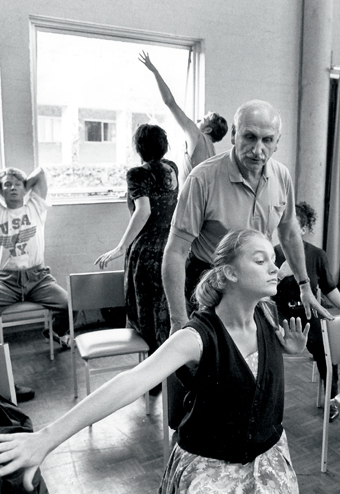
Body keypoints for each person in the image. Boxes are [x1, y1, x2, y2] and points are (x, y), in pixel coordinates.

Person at [0, 229, 310, 493]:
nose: (275, 267)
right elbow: (129, 382)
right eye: (261, 260)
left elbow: (250, 375)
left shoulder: (266, 316)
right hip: (213, 470)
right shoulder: (197, 337)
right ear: (230, 272)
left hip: (269, 462)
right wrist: (46, 438)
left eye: (273, 259)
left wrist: (288, 351)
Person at [161, 99, 332, 428]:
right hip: (211, 287)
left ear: (277, 142)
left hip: (256, 289)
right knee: (207, 384)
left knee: (258, 375)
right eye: (249, 138)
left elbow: (290, 233)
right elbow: (176, 251)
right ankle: (195, 444)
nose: (258, 149)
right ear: (234, 136)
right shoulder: (203, 179)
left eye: (267, 140)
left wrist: (305, 286)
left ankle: (252, 438)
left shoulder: (280, 176)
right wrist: (177, 319)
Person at [95, 124, 178, 363]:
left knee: (147, 315)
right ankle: (169, 369)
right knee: (168, 310)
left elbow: (143, 211)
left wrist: (121, 247)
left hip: (147, 252)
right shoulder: (172, 168)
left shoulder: (137, 174)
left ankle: (152, 374)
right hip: (171, 246)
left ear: (139, 147)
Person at [0, 167, 71, 402]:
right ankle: (5, 381)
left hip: (37, 278)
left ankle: (54, 333)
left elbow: (40, 172)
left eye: (16, 185)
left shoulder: (35, 207)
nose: (11, 188)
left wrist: (19, 184)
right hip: (6, 281)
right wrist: (9, 186)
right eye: (6, 185)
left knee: (68, 304)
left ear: (25, 187)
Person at [274, 201, 340, 422]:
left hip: (311, 318)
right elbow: (262, 294)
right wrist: (280, 275)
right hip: (281, 318)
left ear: (303, 229)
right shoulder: (272, 253)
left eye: (294, 225)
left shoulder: (317, 255)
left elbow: (330, 289)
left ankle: (332, 399)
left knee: (327, 349)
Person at [139, 51, 228, 186]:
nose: (198, 120)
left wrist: (155, 71)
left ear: (208, 129)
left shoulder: (197, 136)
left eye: (202, 120)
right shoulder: (212, 152)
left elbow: (169, 101)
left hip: (189, 203)